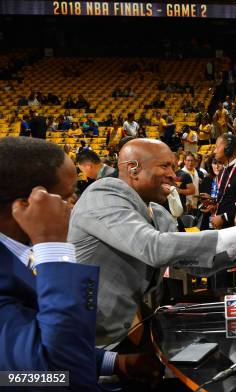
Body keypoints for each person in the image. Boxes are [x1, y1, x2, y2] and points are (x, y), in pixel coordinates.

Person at [69, 138, 236, 345]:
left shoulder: (157, 212)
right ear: (133, 169)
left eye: (174, 167)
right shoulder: (102, 193)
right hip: (85, 341)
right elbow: (154, 247)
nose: (173, 175)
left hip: (124, 331)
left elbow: (194, 263)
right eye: (164, 166)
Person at [0, 137, 160, 389]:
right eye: (66, 197)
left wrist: (115, 362)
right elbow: (52, 375)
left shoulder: (21, 252)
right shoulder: (43, 252)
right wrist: (53, 245)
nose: (74, 205)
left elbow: (42, 339)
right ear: (28, 204)